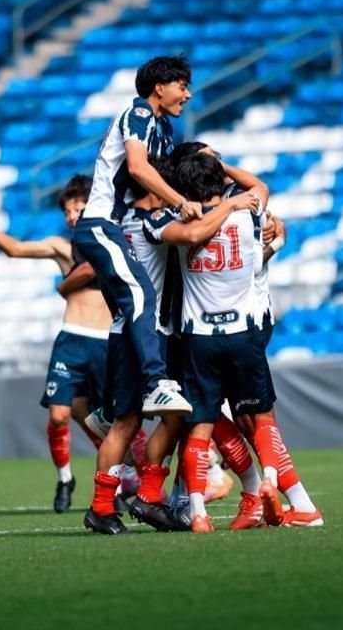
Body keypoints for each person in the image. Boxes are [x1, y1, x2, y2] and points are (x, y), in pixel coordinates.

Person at [83, 155, 260, 534]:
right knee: (127, 424)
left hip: (141, 332)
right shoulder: (154, 219)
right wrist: (231, 203)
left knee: (173, 414)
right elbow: (195, 235)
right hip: (143, 336)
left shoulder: (120, 221)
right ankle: (103, 507)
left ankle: (148, 498)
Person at [0, 175, 132, 513]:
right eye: (68, 210)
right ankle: (66, 477)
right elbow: (16, 249)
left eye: (78, 208)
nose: (72, 215)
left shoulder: (117, 245)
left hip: (106, 343)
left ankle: (119, 481)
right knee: (58, 415)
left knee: (105, 422)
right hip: (71, 339)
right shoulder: (63, 248)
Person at [173, 153, 321, 532]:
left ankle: (199, 511)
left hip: (198, 338)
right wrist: (223, 174)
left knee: (201, 426)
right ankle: (267, 484)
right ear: (221, 181)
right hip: (243, 332)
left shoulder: (181, 224)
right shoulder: (247, 215)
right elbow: (260, 189)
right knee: (260, 418)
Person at [71, 55, 198, 420]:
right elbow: (139, 169)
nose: (187, 94)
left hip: (117, 228)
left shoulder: (164, 130)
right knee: (142, 294)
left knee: (128, 312)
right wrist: (181, 202)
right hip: (101, 224)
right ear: (160, 87)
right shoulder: (139, 113)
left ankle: (107, 411)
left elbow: (167, 178)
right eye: (182, 85)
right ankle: (156, 384)